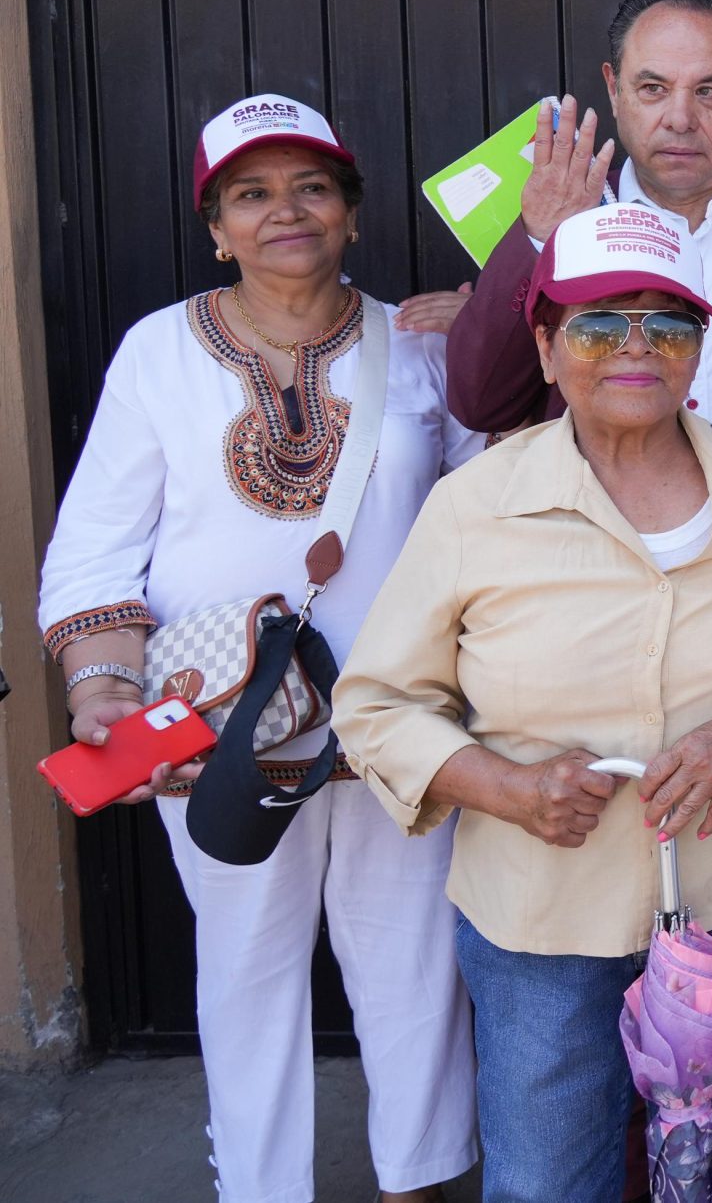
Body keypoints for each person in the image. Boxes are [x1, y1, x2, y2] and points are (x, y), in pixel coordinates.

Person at [334, 203, 712, 1203]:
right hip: (539, 915)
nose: (635, 348)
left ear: (698, 348)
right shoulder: (480, 502)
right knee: (549, 1174)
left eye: (668, 324)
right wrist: (505, 786)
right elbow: (378, 703)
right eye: (600, 325)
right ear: (548, 348)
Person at [433, 0, 712, 1200]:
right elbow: (478, 391)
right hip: (585, 650)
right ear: (612, 92)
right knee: (570, 1062)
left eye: (708, 88)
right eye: (650, 87)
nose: (678, 117)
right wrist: (530, 236)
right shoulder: (563, 218)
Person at [36, 94, 480, 1203]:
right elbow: (96, 548)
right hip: (214, 720)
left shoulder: (421, 349)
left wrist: (496, 338)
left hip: (398, 718)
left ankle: (415, 1183)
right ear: (216, 226)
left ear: (355, 214)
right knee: (245, 966)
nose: (285, 210)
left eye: (311, 186)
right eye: (251, 192)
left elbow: (495, 520)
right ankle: (262, 1188)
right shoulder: (158, 354)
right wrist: (102, 692)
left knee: (415, 961)